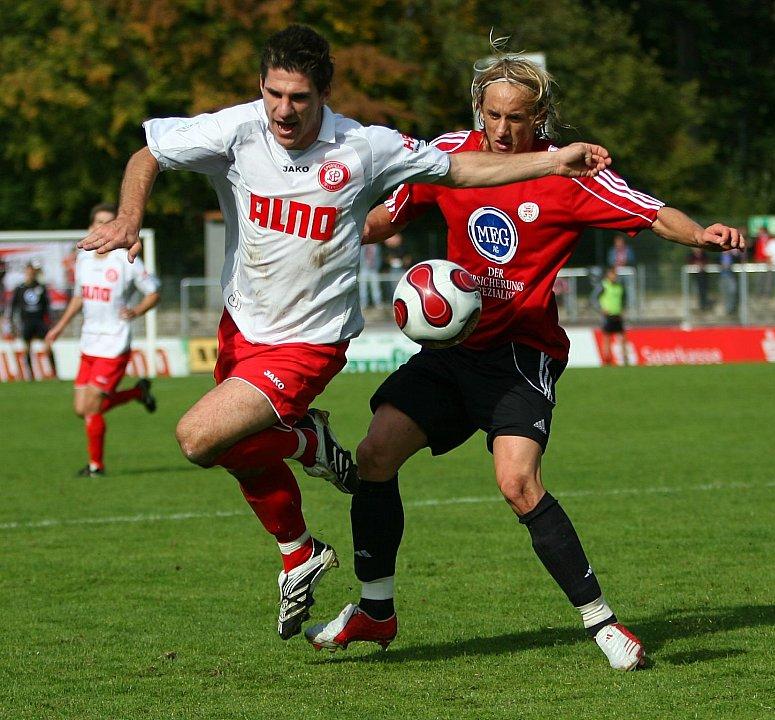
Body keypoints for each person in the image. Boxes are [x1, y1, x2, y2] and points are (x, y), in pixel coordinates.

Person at [76, 24, 613, 642]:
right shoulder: (238, 129)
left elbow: (461, 172)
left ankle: (307, 445)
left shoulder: (364, 147)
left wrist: (556, 158)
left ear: (323, 93)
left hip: (312, 339)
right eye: (274, 93)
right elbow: (149, 152)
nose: (283, 110)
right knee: (234, 448)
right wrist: (128, 218)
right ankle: (299, 549)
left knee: (197, 438)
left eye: (299, 98)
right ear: (262, 86)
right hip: (241, 324)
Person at [305, 48, 745, 670]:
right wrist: (319, 228)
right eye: (493, 116)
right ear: (477, 110)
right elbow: (386, 217)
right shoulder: (452, 155)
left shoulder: (569, 175)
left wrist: (699, 232)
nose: (502, 131)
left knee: (517, 483)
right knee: (375, 455)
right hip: (453, 352)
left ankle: (604, 625)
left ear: (539, 117)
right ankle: (376, 612)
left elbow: (649, 211)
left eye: (517, 118)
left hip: (520, 354)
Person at [45, 203, 160, 477]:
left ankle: (96, 466)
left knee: (91, 407)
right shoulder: (83, 257)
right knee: (80, 408)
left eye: (108, 222)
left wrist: (136, 311)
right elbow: (78, 297)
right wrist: (59, 327)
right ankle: (136, 393)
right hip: (89, 343)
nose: (102, 227)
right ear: (90, 226)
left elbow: (154, 291)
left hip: (114, 344)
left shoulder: (125, 260)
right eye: (98, 222)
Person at [7, 260, 57, 379]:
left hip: (40, 321)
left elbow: (47, 306)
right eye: (28, 272)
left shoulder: (40, 286)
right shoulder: (20, 288)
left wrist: (50, 322)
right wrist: (11, 322)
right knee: (27, 348)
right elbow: (14, 307)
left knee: (48, 347)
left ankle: (55, 373)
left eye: (32, 272)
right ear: (25, 272)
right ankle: (30, 375)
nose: (30, 274)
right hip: (26, 322)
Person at [598, 266, 628, 365]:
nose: (614, 277)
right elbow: (593, 299)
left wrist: (623, 309)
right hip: (607, 316)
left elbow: (624, 300)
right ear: (608, 275)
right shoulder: (603, 285)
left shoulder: (620, 287)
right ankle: (606, 360)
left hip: (617, 315)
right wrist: (601, 309)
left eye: (615, 275)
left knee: (622, 338)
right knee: (606, 338)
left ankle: (625, 360)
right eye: (612, 274)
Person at [359, 243, 383, 309]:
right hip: (363, 269)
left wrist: (377, 267)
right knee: (363, 287)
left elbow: (379, 257)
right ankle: (363, 303)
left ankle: (377, 303)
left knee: (376, 287)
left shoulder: (377, 247)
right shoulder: (362, 247)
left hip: (374, 269)